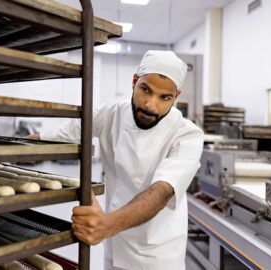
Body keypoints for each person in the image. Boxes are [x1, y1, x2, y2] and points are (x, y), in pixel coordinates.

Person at [28, 50, 204, 270]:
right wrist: (10, 145)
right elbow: (66, 133)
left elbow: (162, 191)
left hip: (157, 253)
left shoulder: (187, 135)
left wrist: (107, 225)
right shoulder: (112, 113)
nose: (150, 104)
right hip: (115, 245)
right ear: (134, 82)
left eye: (164, 97)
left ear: (176, 96)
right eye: (145, 90)